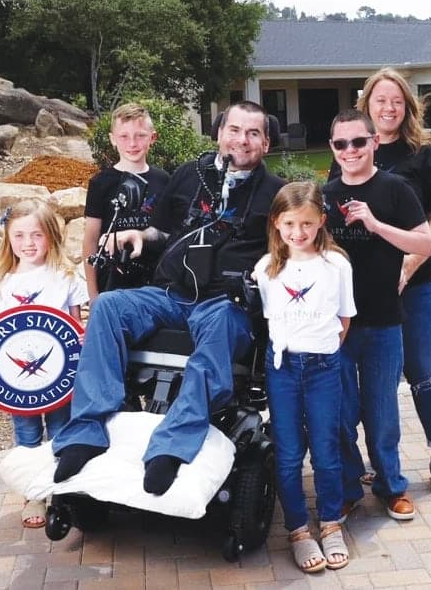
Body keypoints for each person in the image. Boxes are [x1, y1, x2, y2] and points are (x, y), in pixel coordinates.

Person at [51, 101, 284, 495]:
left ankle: (172, 445)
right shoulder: (188, 176)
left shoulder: (277, 194)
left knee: (224, 323)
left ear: (266, 143)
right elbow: (160, 232)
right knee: (108, 306)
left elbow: (288, 251)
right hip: (171, 295)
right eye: (234, 130)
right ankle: (87, 432)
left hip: (224, 303)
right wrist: (140, 236)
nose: (241, 140)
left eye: (253, 133)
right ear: (219, 133)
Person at [329, 67, 431, 503]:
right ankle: (375, 465)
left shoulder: (423, 156)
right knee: (365, 386)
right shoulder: (349, 150)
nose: (388, 108)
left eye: (396, 101)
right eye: (380, 100)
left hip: (416, 282)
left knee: (423, 374)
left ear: (408, 107)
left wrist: (408, 265)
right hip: (364, 293)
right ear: (367, 108)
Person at [323, 109, 431, 521]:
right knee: (339, 412)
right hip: (337, 326)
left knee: (382, 412)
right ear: (333, 149)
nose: (350, 151)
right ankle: (350, 486)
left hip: (385, 321)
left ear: (373, 142)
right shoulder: (325, 194)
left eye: (358, 142)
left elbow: (425, 244)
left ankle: (391, 486)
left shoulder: (395, 189)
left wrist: (375, 223)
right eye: (341, 144)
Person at [0, 199, 88, 528]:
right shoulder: (1, 281)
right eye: (19, 236)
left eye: (37, 235)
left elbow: (75, 327)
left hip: (59, 375)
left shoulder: (66, 275)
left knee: (62, 430)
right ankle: (34, 493)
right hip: (18, 380)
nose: (28, 243)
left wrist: (85, 338)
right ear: (8, 239)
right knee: (27, 434)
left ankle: (61, 491)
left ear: (52, 237)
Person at [252, 181, 356, 573]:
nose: (299, 233)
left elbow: (344, 318)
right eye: (290, 224)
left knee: (326, 450)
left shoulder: (336, 264)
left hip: (324, 368)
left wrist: (323, 349)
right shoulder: (266, 269)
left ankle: (330, 523)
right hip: (283, 369)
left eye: (307, 224)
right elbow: (268, 320)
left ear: (321, 222)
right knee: (289, 452)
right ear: (277, 223)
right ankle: (298, 529)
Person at [83, 103, 169, 300]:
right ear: (113, 139)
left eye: (140, 135)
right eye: (124, 136)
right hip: (112, 283)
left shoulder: (164, 180)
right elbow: (90, 241)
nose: (132, 143)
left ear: (152, 138)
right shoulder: (100, 183)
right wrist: (93, 294)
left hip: (155, 280)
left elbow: (168, 231)